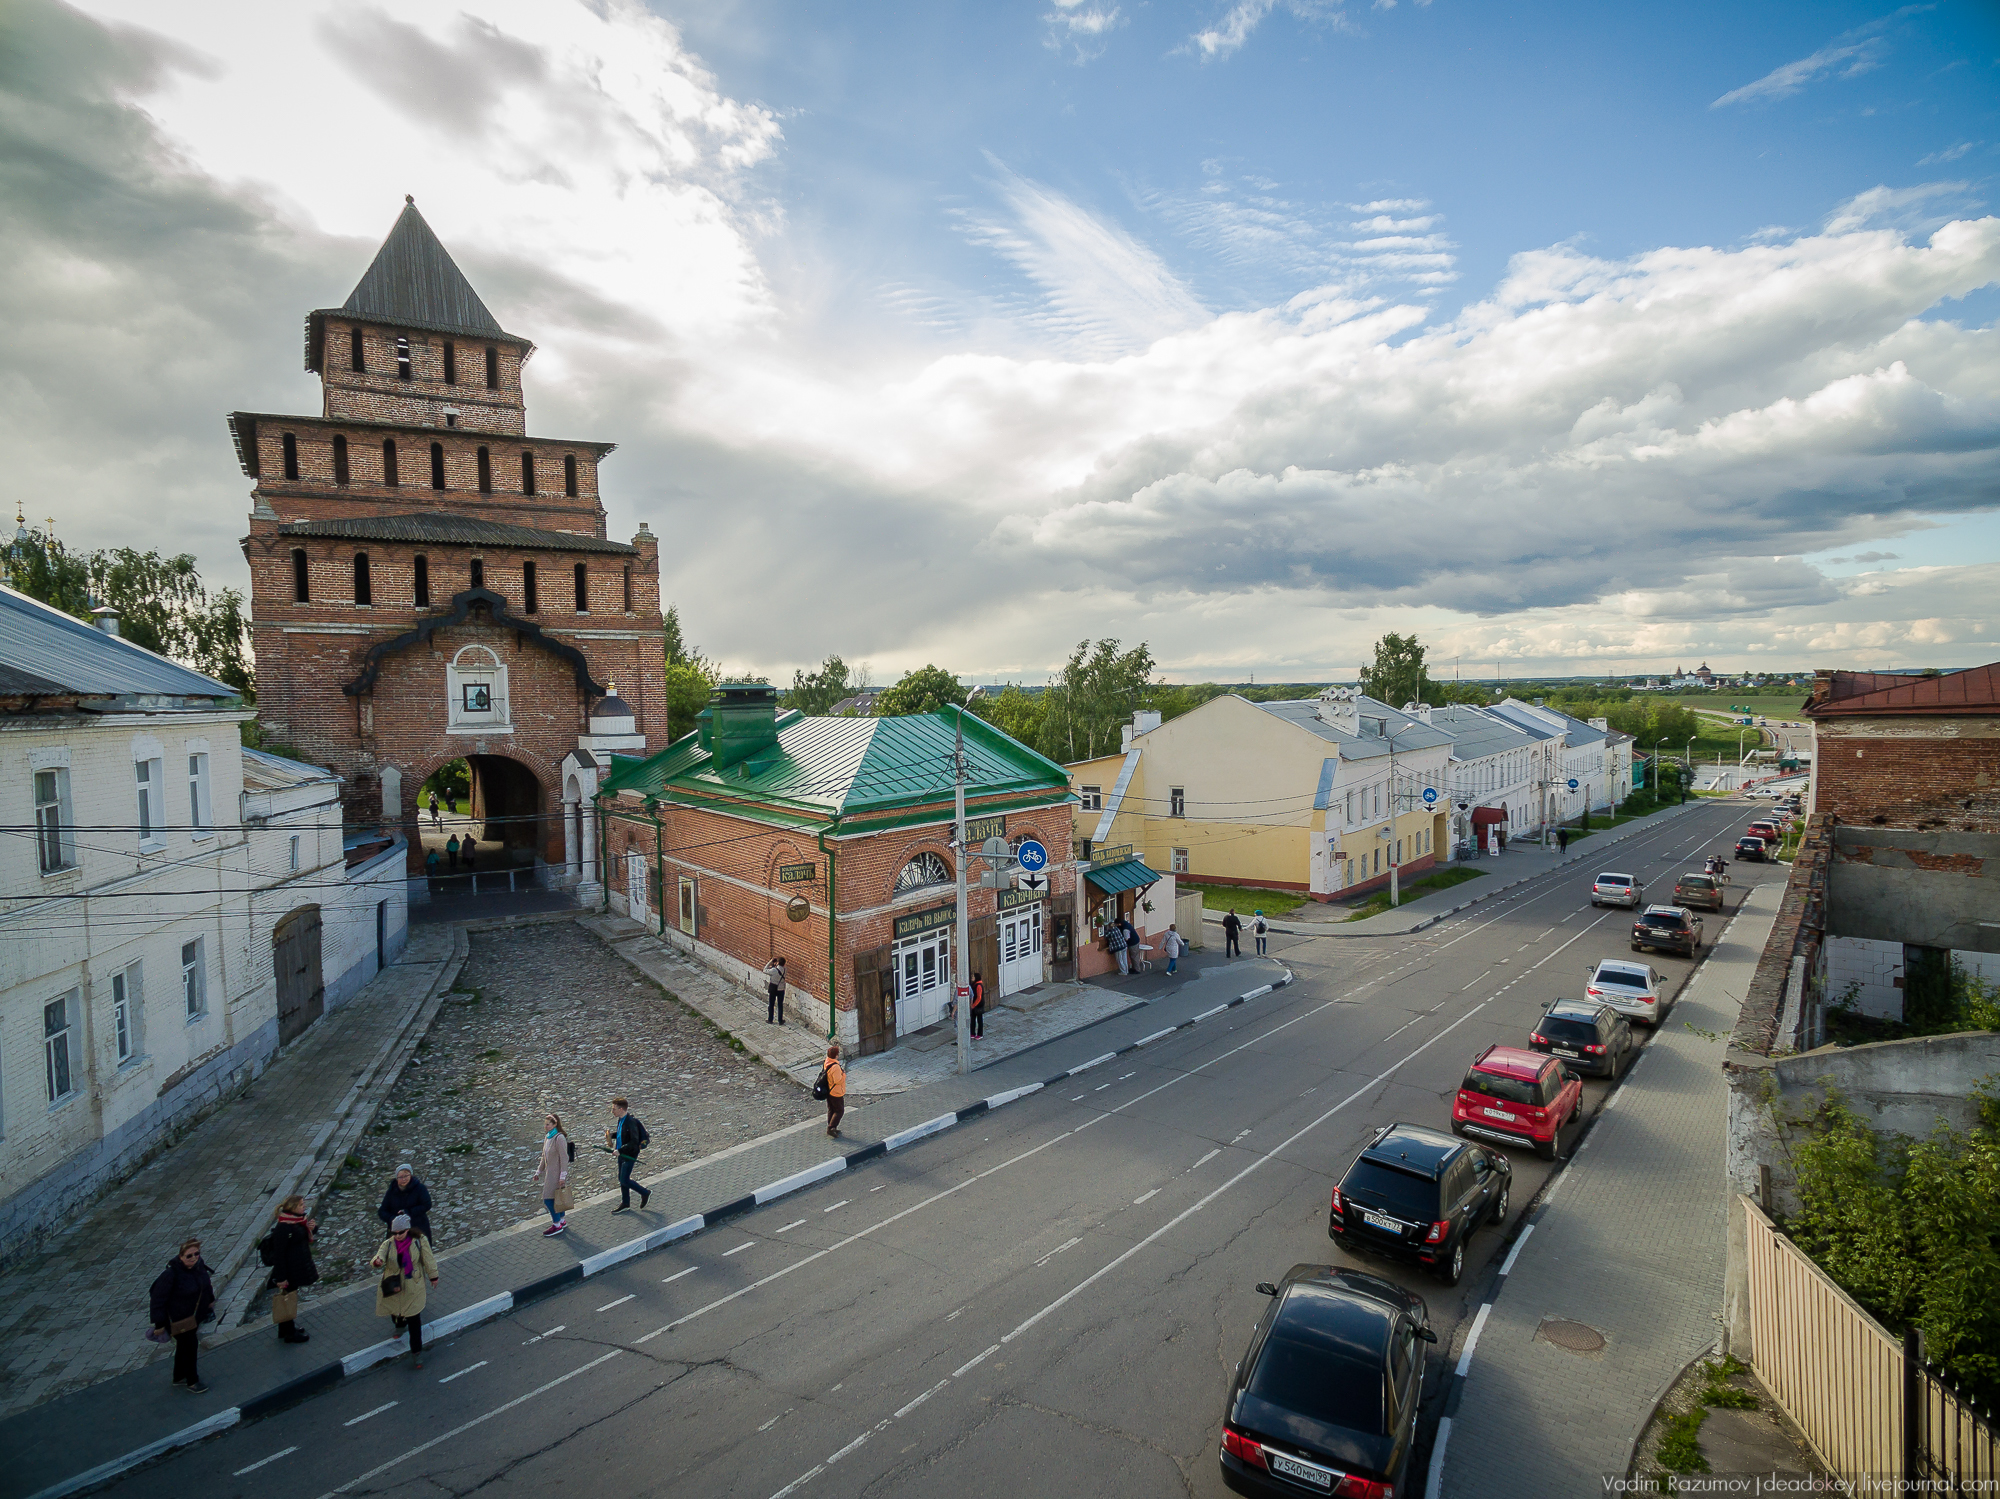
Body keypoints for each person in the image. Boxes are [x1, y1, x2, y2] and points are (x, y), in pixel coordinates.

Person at [371, 1214, 439, 1370]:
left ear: (407, 1230)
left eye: (400, 1233)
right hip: (393, 1285)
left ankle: (416, 1353)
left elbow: (428, 1259)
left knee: (414, 1321)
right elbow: (379, 1256)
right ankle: (399, 1324)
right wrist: (377, 1261)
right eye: (394, 1233)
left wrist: (433, 1276)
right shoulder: (388, 1244)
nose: (397, 1236)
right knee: (395, 1311)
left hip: (413, 1286)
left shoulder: (419, 1241)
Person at [149, 1238, 216, 1393]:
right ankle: (193, 1381)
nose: (193, 1258)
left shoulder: (199, 1267)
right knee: (190, 1346)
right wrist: (159, 1324)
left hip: (192, 1318)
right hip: (177, 1319)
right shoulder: (171, 1275)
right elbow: (157, 1300)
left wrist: (210, 1301)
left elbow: (206, 1285)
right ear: (180, 1257)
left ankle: (178, 1377)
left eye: (196, 1254)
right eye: (189, 1255)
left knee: (183, 1346)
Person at [260, 1195, 318, 1344]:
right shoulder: (284, 1227)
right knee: (287, 1299)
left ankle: (285, 1329)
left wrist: (312, 1229)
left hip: (297, 1267)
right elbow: (279, 1255)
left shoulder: (298, 1221)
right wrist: (281, 1278)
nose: (304, 1207)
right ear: (293, 1208)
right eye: (301, 1205)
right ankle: (289, 1333)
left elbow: (302, 1238)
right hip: (289, 1270)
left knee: (290, 1297)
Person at [606, 1097, 652, 1213]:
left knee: (624, 1179)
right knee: (621, 1179)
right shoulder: (621, 1120)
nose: (612, 1111)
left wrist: (620, 1151)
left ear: (621, 1109)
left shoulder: (630, 1122)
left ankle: (645, 1192)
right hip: (621, 1153)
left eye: (614, 1109)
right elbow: (622, 1134)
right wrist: (612, 1136)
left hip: (629, 1154)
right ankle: (625, 1203)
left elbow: (634, 1142)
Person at [533, 1113, 572, 1236]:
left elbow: (564, 1158)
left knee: (548, 1199)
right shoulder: (548, 1137)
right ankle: (561, 1220)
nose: (545, 1127)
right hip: (550, 1173)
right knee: (556, 1198)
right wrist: (538, 1171)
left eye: (548, 1125)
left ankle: (556, 1225)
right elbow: (544, 1157)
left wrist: (562, 1177)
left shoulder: (559, 1138)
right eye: (545, 1125)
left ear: (555, 1124)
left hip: (556, 1175)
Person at [378, 1164, 434, 1246]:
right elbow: (382, 1211)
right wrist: (393, 1219)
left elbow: (426, 1205)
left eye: (406, 1176)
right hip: (398, 1232)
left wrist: (408, 1213)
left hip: (417, 1227)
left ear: (410, 1175)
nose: (404, 1179)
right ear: (396, 1178)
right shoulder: (392, 1191)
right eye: (400, 1177)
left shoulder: (420, 1188)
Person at [821, 1045, 846, 1137]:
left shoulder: (827, 1062)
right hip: (836, 1092)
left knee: (832, 1109)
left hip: (829, 1090)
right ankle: (831, 1127)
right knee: (839, 1111)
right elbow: (838, 1080)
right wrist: (843, 1074)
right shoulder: (835, 1067)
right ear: (836, 1055)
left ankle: (831, 1127)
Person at [763, 956, 787, 1025]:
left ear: (778, 962)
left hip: (773, 989)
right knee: (780, 1005)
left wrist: (770, 962)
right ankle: (780, 1020)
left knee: (771, 1004)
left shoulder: (774, 970)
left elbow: (764, 970)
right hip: (781, 989)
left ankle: (770, 1019)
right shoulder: (785, 969)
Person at [968, 972, 985, 1039]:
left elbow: (979, 997)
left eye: (973, 977)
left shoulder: (978, 986)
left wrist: (973, 1005)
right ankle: (972, 1033)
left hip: (978, 1005)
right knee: (972, 1019)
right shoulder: (973, 984)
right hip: (974, 1005)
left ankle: (980, 1034)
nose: (972, 978)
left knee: (979, 1020)